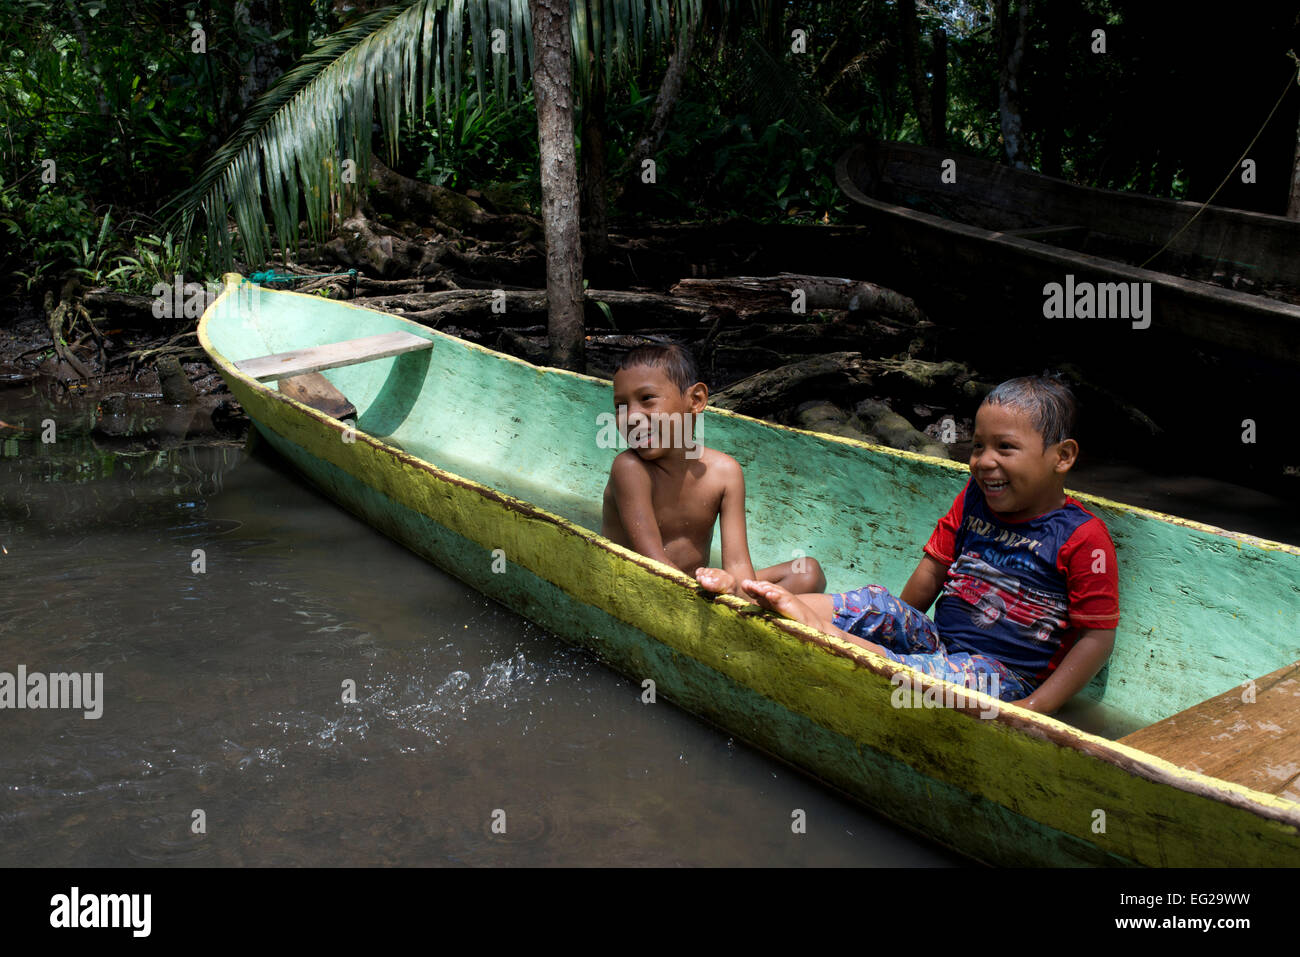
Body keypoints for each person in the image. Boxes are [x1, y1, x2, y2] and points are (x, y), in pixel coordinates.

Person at [743, 375, 1119, 713]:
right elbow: (933, 568)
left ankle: (834, 637)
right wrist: (898, 623)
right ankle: (788, 607)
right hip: (940, 641)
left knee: (949, 676)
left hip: (1001, 674)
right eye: (977, 446)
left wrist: (1036, 705)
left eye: (1005, 447)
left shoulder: (1083, 537)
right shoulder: (976, 498)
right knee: (879, 604)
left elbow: (1096, 639)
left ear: (1062, 457)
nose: (984, 461)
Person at [600, 343, 825, 599]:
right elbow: (654, 562)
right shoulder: (630, 469)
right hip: (644, 587)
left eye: (647, 399)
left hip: (698, 588)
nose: (631, 417)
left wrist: (733, 588)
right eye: (620, 406)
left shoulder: (725, 473)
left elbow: (739, 567)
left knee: (808, 573)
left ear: (695, 400)